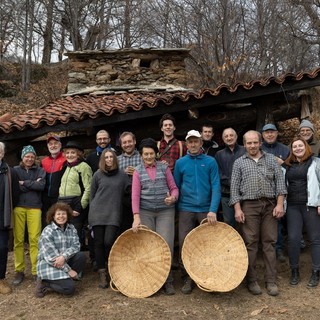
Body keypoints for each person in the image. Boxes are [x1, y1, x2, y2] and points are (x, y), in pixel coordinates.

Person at [230, 130, 287, 296]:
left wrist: (279, 205)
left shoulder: (271, 159)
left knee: (269, 243)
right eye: (249, 143)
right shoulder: (239, 162)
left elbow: (280, 184)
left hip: (270, 206)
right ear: (244, 144)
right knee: (251, 243)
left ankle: (271, 281)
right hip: (249, 206)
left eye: (255, 142)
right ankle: (252, 280)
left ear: (260, 143)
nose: (252, 145)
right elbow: (234, 188)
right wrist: (238, 208)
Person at [174, 130, 221, 294]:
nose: (193, 144)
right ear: (186, 144)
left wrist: (213, 210)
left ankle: (208, 276)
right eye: (190, 142)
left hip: (206, 210)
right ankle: (187, 277)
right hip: (186, 208)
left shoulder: (210, 162)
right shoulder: (180, 163)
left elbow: (216, 186)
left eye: (196, 141)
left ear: (201, 143)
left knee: (207, 244)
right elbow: (176, 187)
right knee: (185, 243)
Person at [132, 138, 179, 295]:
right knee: (149, 246)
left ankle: (168, 280)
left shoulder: (164, 168)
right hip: (146, 212)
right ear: (141, 155)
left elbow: (174, 188)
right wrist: (136, 216)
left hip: (165, 211)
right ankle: (153, 280)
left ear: (156, 154)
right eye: (145, 154)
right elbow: (135, 196)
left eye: (151, 153)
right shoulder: (138, 171)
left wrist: (173, 198)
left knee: (166, 244)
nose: (148, 156)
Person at [89, 149, 130, 288]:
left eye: (111, 157)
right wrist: (91, 214)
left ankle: (112, 268)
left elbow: (130, 191)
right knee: (98, 243)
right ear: (102, 160)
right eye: (106, 157)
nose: (108, 159)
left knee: (109, 241)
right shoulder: (97, 175)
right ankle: (102, 272)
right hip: (97, 213)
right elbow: (92, 196)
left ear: (115, 159)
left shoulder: (122, 175)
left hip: (113, 213)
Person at [283, 137, 320, 288]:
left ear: (306, 147)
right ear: (291, 150)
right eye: (294, 147)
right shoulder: (287, 166)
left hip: (310, 205)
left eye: (300, 145)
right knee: (293, 239)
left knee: (315, 239)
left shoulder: (316, 163)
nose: (298, 148)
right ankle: (294, 270)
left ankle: (316, 271)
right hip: (292, 206)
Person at [35, 202, 86, 298]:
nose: (61, 216)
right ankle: (44, 282)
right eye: (58, 214)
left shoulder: (71, 228)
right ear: (53, 216)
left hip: (63, 261)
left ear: (67, 215)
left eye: (64, 214)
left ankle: (64, 278)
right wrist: (69, 270)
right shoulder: (48, 231)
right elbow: (52, 258)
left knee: (81, 256)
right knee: (69, 289)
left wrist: (63, 256)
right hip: (49, 264)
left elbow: (76, 246)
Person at [12, 145, 46, 285]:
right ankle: (19, 271)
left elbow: (41, 186)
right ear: (22, 157)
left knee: (35, 240)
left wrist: (24, 183)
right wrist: (32, 184)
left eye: (32, 156)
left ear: (35, 158)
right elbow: (15, 187)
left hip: (35, 208)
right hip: (19, 207)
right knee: (18, 240)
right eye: (27, 156)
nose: (30, 158)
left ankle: (35, 270)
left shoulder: (40, 170)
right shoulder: (14, 170)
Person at [261, 123, 290, 263]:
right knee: (273, 222)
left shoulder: (285, 149)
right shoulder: (259, 149)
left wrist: (283, 163)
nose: (270, 135)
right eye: (267, 133)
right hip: (266, 192)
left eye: (272, 132)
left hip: (285, 190)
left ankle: (283, 247)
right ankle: (273, 249)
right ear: (263, 135)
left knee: (283, 220)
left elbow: (294, 168)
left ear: (277, 133)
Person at [58, 141, 92, 244]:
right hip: (63, 203)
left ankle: (78, 258)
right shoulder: (65, 167)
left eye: (73, 152)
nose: (69, 155)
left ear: (78, 154)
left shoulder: (84, 167)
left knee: (75, 234)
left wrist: (80, 206)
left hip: (76, 203)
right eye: (67, 153)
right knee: (65, 233)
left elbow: (89, 188)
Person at [215, 128, 245, 227]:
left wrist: (240, 184)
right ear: (223, 139)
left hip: (244, 194)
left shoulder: (245, 150)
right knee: (229, 223)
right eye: (226, 136)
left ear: (236, 137)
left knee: (245, 222)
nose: (229, 138)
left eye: (231, 135)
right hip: (226, 194)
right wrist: (233, 183)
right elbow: (218, 173)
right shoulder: (219, 154)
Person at [0, 142, 19, 294]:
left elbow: (15, 195)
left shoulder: (10, 172)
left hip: (2, 218)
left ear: (2, 154)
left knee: (2, 248)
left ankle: (0, 279)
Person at [117, 132, 142, 232]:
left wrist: (136, 172)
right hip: (123, 198)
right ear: (121, 145)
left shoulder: (142, 157)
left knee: (140, 227)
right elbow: (113, 177)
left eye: (129, 141)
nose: (127, 144)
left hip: (140, 196)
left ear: (134, 142)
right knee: (125, 227)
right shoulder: (117, 160)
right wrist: (123, 173)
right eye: (124, 142)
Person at [41, 136, 66, 228]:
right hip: (45, 198)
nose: (53, 146)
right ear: (48, 146)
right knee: (46, 223)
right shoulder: (43, 161)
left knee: (59, 223)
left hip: (59, 197)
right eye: (50, 144)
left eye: (55, 143)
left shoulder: (65, 160)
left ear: (60, 145)